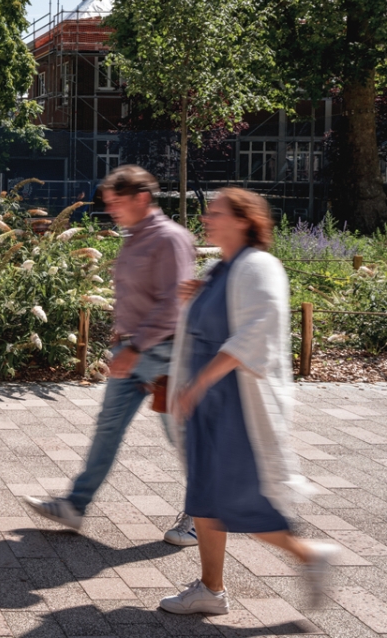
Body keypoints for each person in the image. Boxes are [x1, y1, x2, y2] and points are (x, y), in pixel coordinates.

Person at [158, 188, 334, 615]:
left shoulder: (260, 266)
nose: (206, 218)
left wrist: (200, 383)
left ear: (243, 220)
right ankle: (210, 590)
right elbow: (212, 322)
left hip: (234, 405)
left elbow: (255, 332)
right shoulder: (219, 268)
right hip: (207, 404)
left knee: (242, 502)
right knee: (204, 498)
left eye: (215, 212)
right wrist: (194, 300)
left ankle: (311, 556)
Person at [25, 165, 199, 546]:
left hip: (165, 354)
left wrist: (136, 348)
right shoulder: (134, 237)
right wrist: (124, 342)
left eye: (116, 203)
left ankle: (201, 517)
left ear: (141, 198)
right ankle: (76, 505)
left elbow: (173, 304)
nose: (112, 211)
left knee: (182, 439)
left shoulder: (170, 239)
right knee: (108, 428)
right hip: (133, 350)